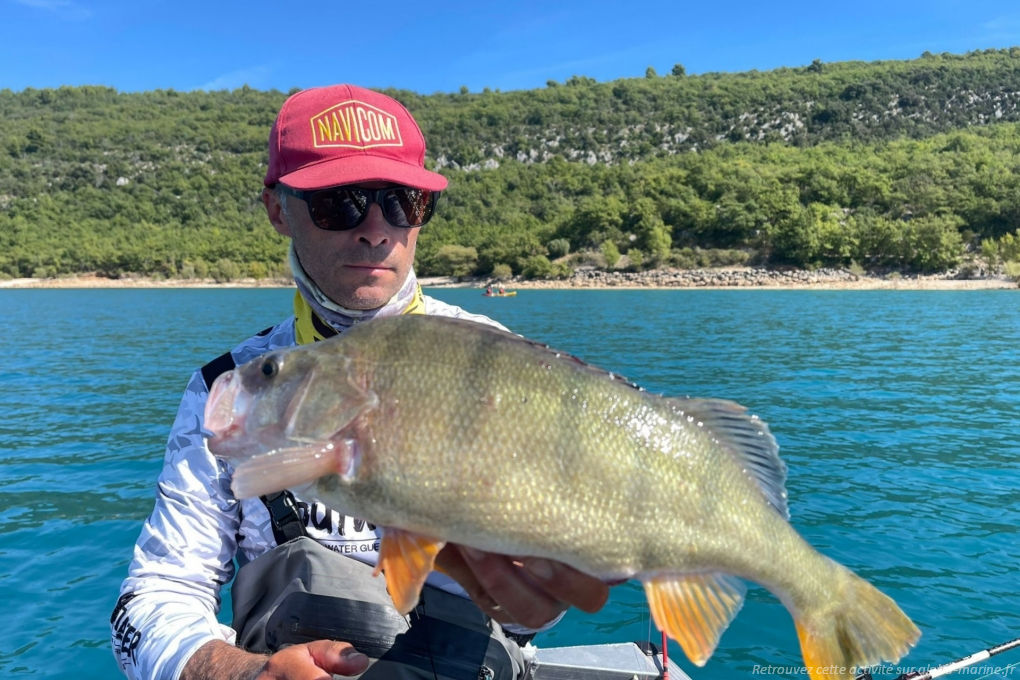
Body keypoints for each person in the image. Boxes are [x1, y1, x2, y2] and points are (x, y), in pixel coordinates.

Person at [110, 84, 608, 680]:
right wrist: (246, 674)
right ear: (278, 209)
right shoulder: (232, 388)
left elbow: (533, 615)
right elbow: (154, 593)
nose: (377, 230)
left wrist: (539, 596)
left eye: (403, 202)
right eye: (340, 202)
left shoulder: (506, 367)